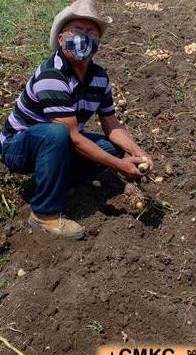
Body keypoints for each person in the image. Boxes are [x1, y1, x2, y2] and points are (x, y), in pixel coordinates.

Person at [0, 0, 152, 240]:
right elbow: (71, 136)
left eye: (91, 31)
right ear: (61, 38)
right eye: (77, 30)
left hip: (55, 142)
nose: (84, 36)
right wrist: (119, 165)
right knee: (57, 134)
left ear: (98, 42)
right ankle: (44, 214)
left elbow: (111, 124)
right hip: (18, 147)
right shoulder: (51, 76)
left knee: (110, 146)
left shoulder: (99, 78)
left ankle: (51, 180)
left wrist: (137, 152)